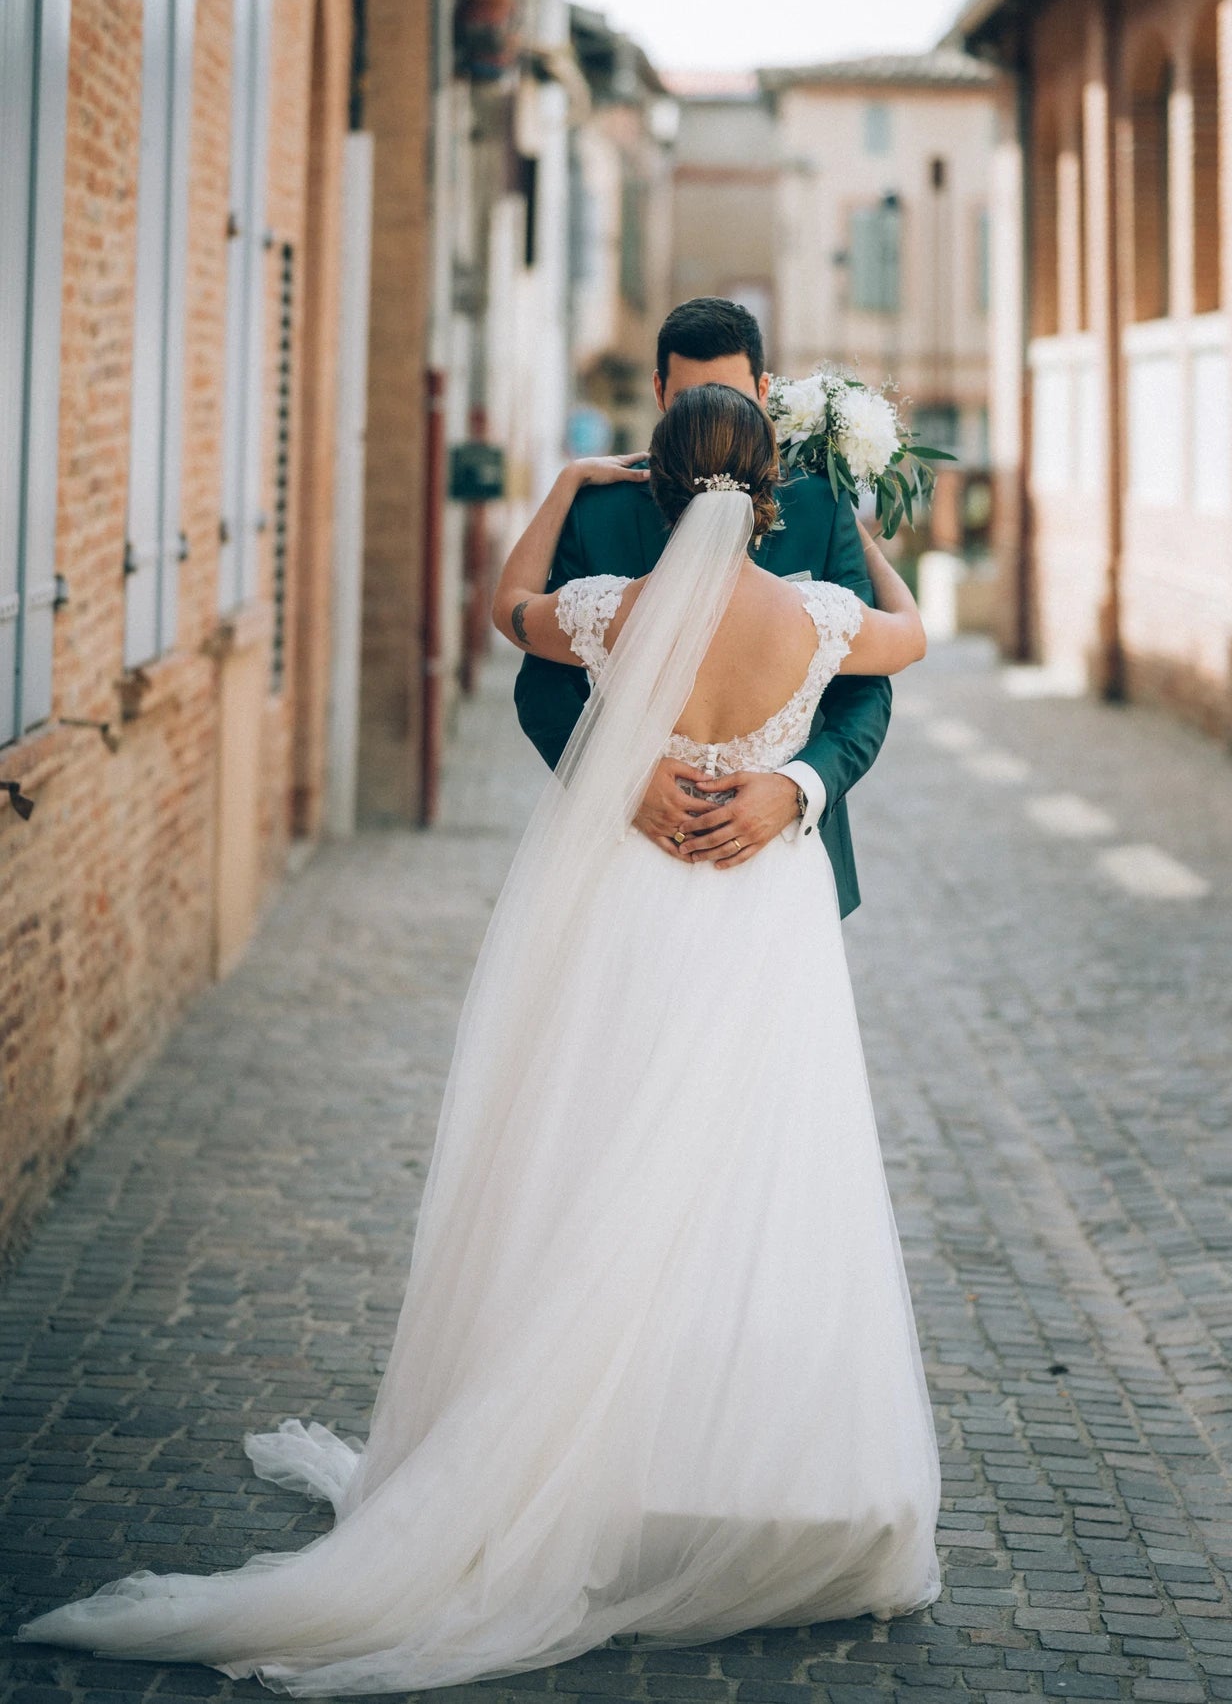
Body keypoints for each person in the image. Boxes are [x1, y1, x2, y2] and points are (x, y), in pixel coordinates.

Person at [15, 385, 941, 1695]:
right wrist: (857, 514)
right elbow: (913, 635)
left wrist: (566, 488)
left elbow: (505, 612)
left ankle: (577, 1449)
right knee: (753, 1182)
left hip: (638, 907)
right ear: (769, 494)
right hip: (762, 924)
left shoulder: (611, 608)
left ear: (662, 490)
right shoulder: (817, 621)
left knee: (597, 1155)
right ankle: (732, 1466)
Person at [515, 296, 890, 914]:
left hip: (786, 861)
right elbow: (545, 691)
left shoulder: (822, 508)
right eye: (689, 401)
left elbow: (867, 690)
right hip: (629, 857)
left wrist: (799, 789)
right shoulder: (597, 514)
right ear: (660, 393)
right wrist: (619, 786)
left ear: (764, 390)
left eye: (730, 400)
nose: (710, 419)